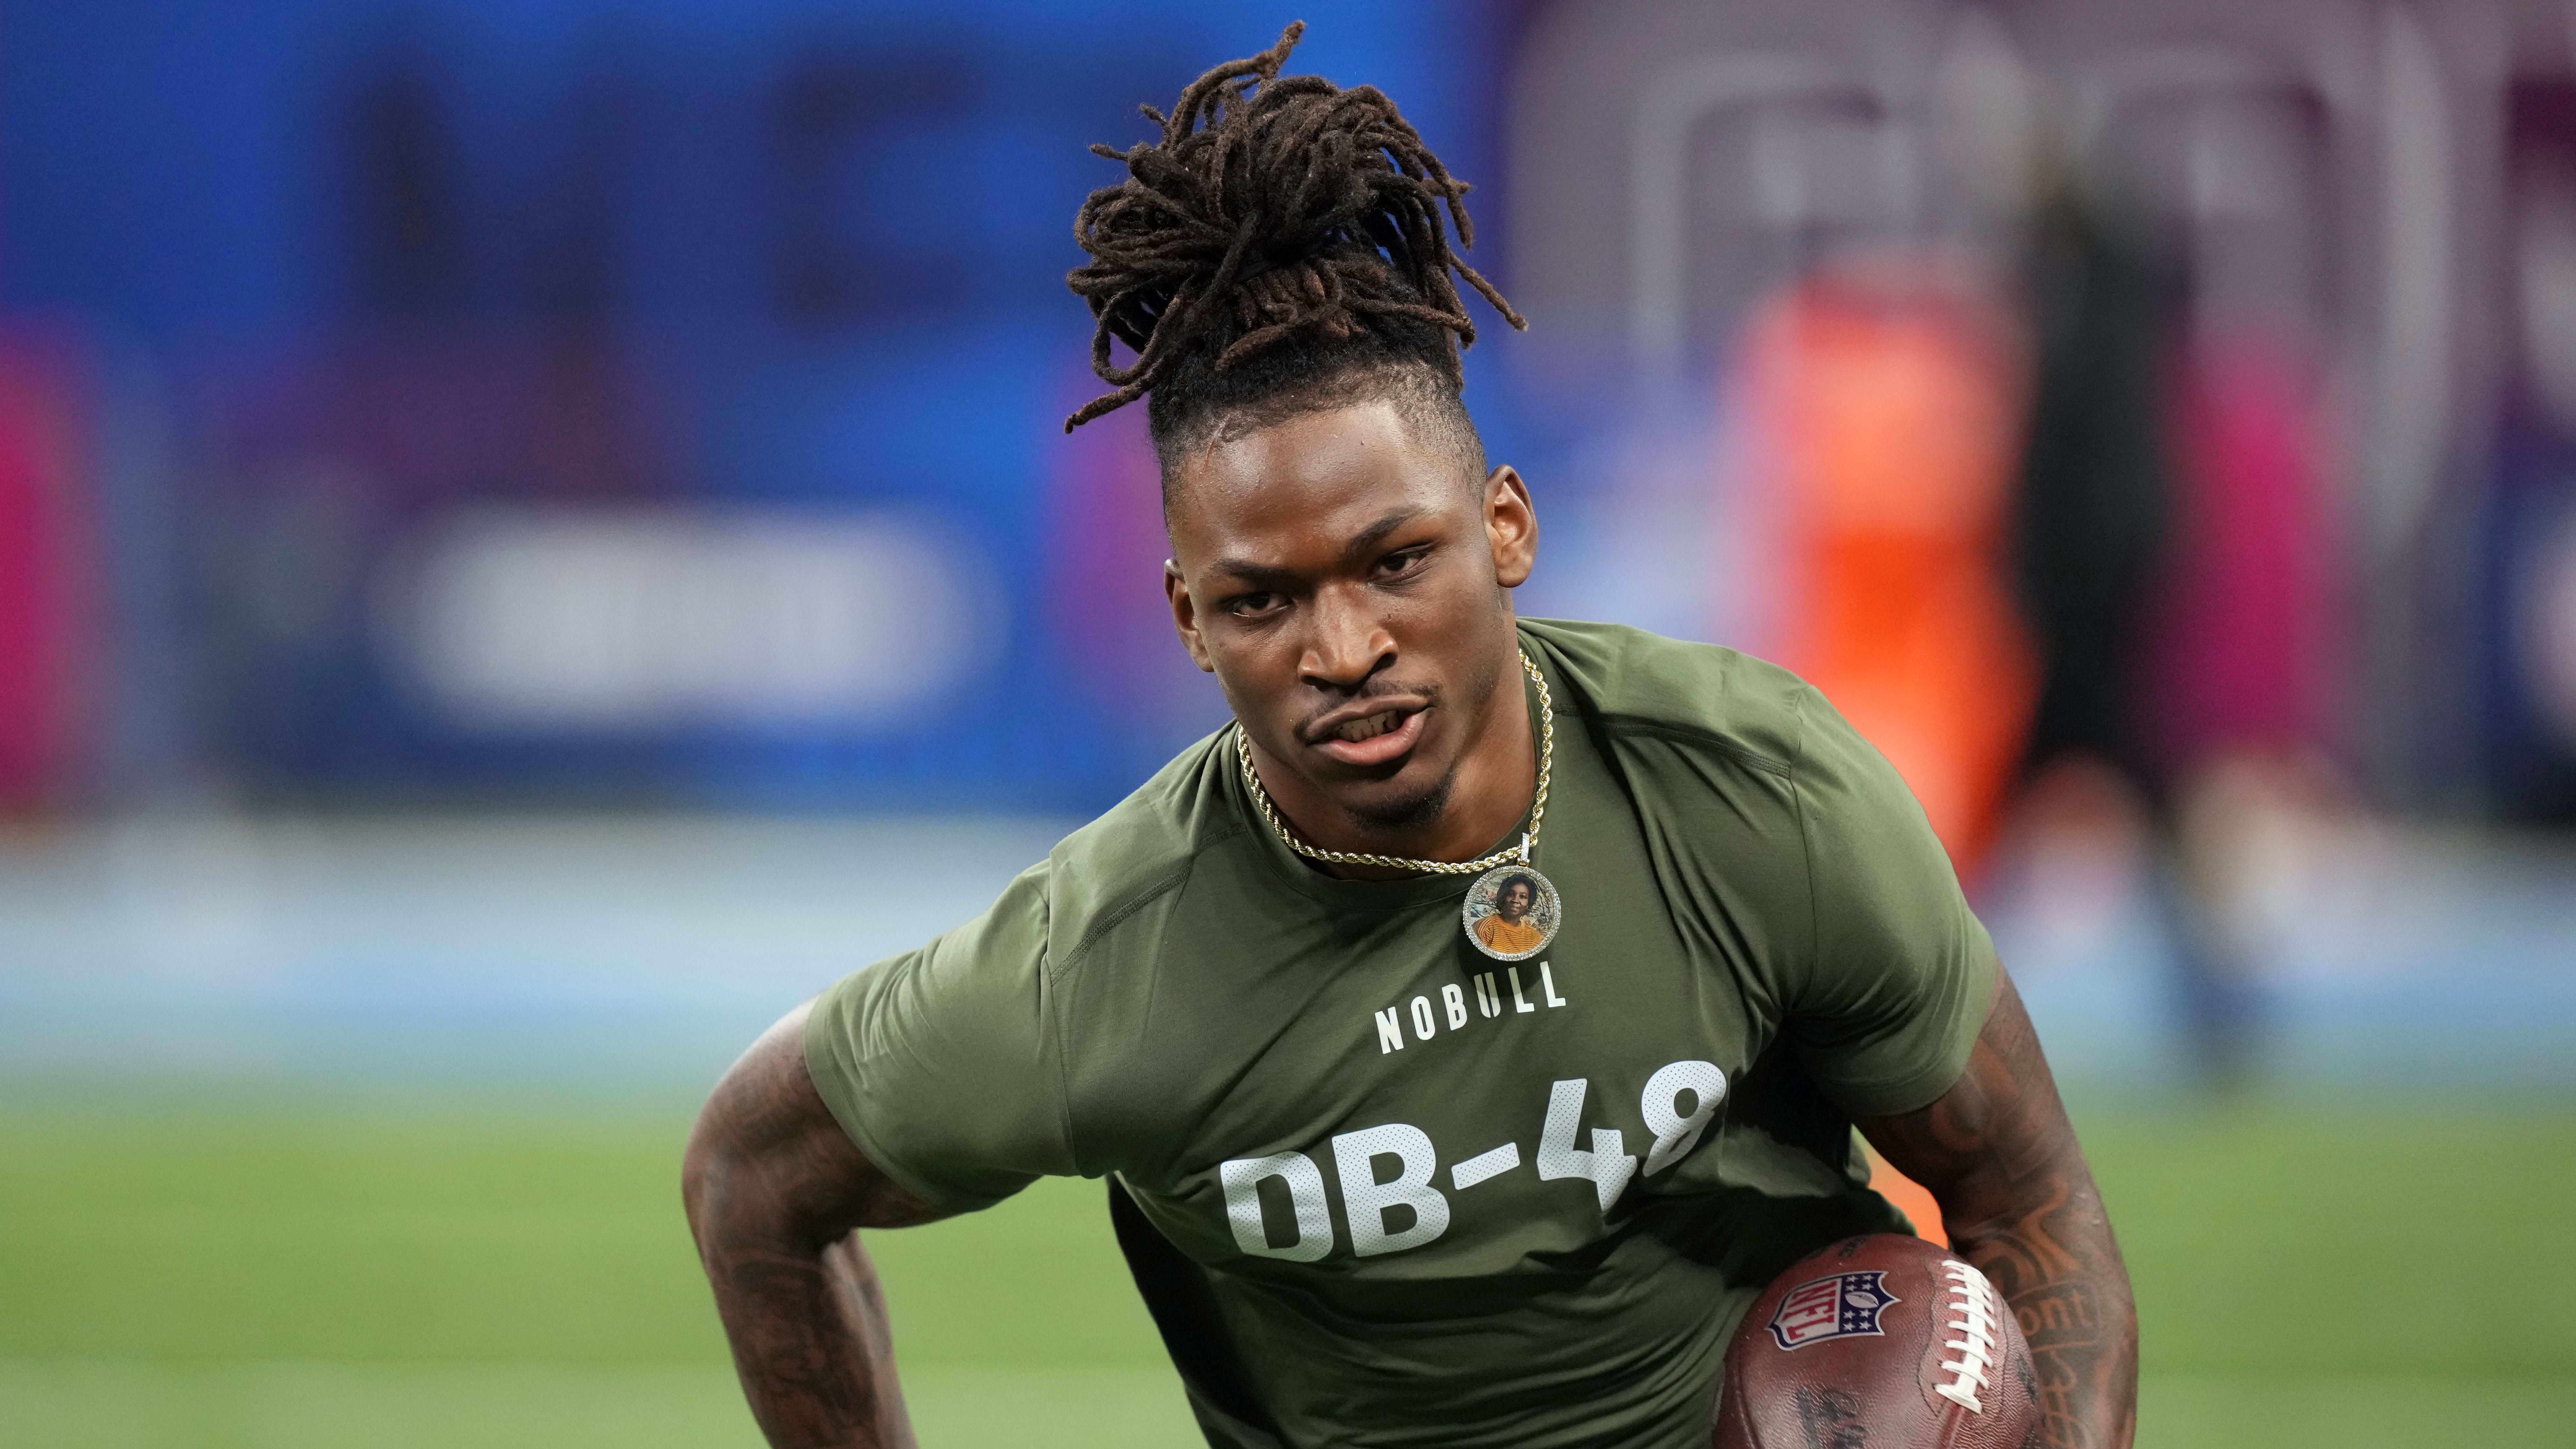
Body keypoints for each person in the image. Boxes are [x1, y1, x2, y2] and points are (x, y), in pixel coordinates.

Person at [683, 26, 2135, 1449]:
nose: (1342, 648)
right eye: (1261, 598)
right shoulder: (1104, 969)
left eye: (1393, 561)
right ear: (1187, 615)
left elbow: (2025, 1195)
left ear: (1503, 527)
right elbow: (752, 1173)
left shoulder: (1754, 795)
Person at [1473, 873, 1546, 956]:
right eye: (1511, 894)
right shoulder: (1486, 927)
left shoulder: (1535, 938)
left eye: (1523, 897)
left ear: (1528, 905)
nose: (1515, 900)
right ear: (1503, 898)